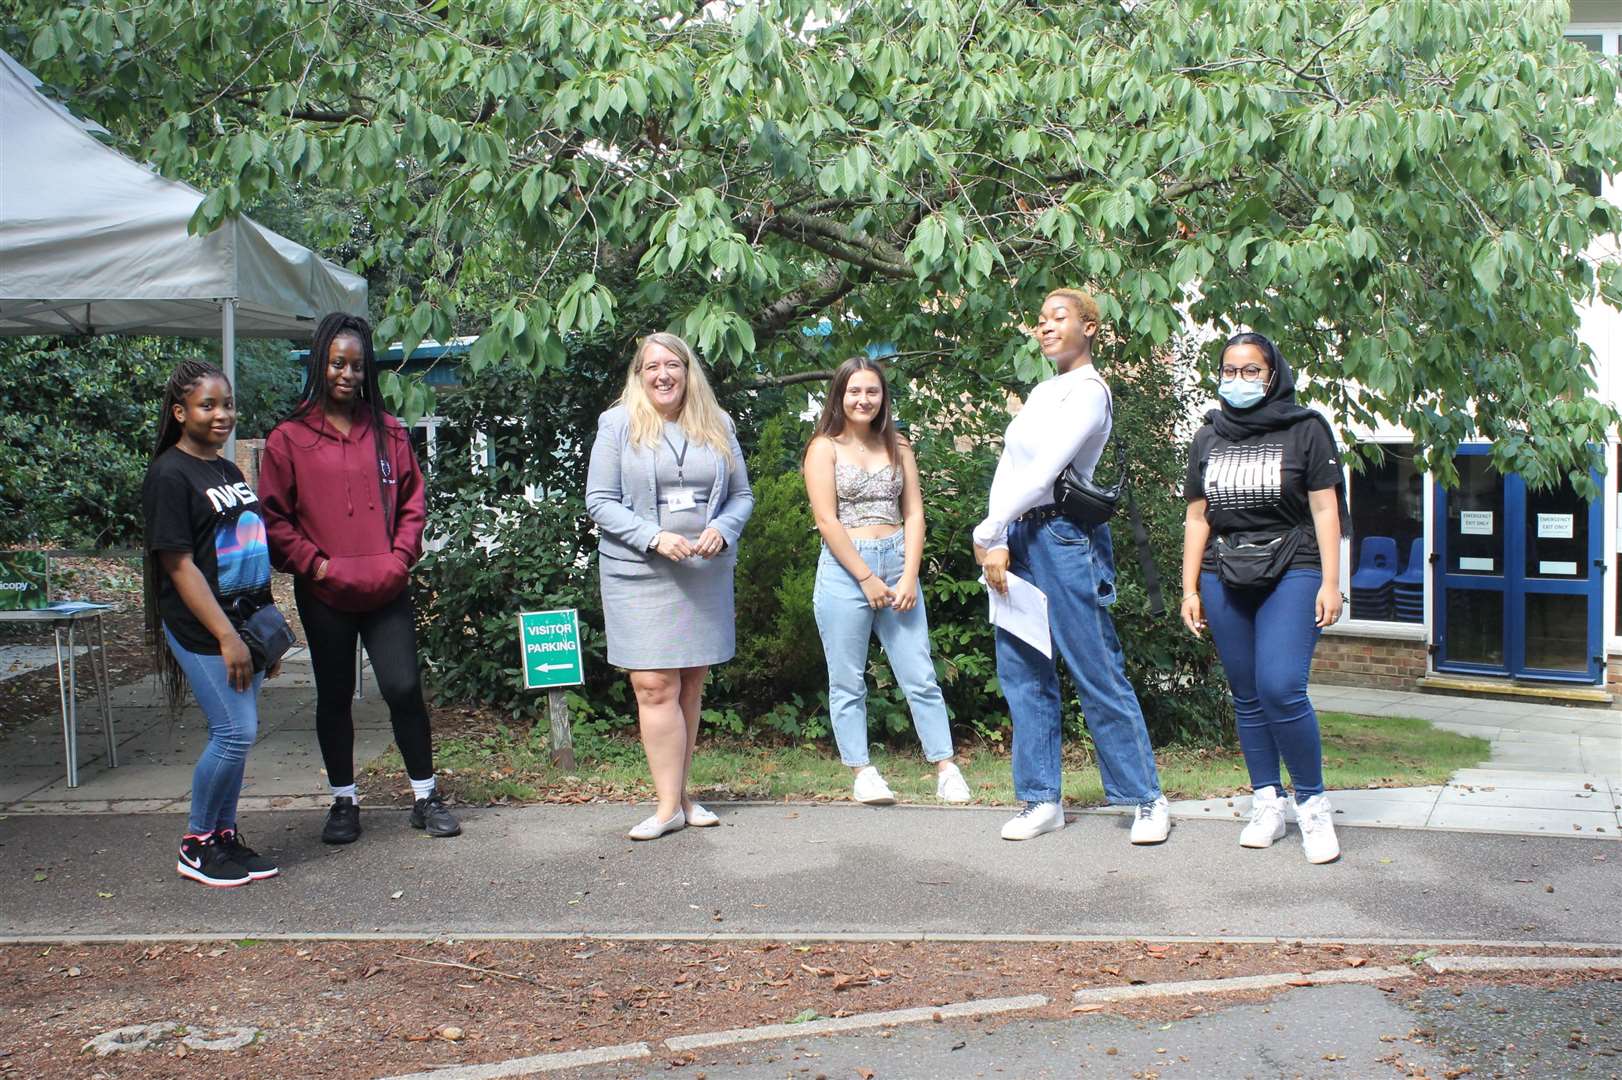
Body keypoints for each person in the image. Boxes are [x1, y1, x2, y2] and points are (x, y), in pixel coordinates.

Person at [973, 289, 1170, 845]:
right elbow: (1011, 465)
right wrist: (996, 536)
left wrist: (988, 529)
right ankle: (1041, 799)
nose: (1046, 327)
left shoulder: (1090, 392)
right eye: (1039, 320)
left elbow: (1043, 475)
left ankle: (1145, 799)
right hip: (1016, 533)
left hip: (1062, 535)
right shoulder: (1040, 391)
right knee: (1022, 670)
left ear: (1089, 327)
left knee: (1095, 668)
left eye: (1059, 318)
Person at [258, 312, 460, 843]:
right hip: (325, 591)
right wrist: (316, 565)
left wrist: (400, 557)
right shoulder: (290, 438)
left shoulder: (389, 432)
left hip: (387, 586)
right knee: (335, 694)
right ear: (321, 365)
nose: (346, 374)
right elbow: (274, 518)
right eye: (335, 363)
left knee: (403, 687)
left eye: (355, 364)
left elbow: (413, 501)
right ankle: (344, 803)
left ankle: (425, 795)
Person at [1180, 332, 1347, 864]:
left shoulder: (1306, 430)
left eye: (1252, 371)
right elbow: (1196, 518)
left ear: (1273, 375)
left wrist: (1331, 581)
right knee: (1247, 693)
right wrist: (1188, 587)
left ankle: (1313, 806)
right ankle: (1266, 802)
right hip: (1222, 571)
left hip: (1293, 568)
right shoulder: (1208, 436)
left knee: (1281, 687)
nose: (1239, 380)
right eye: (1230, 370)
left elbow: (1325, 510)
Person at [585, 332, 755, 840]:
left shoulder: (718, 423)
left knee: (690, 685)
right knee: (654, 685)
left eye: (672, 365)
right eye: (651, 366)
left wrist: (722, 531)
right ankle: (666, 808)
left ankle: (681, 796)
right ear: (639, 375)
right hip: (640, 571)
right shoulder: (616, 425)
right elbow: (600, 500)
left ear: (687, 370)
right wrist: (653, 536)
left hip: (702, 571)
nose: (663, 374)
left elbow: (742, 495)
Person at [803, 357, 971, 805]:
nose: (863, 399)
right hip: (845, 570)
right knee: (847, 679)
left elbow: (914, 511)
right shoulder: (824, 448)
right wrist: (865, 577)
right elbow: (826, 518)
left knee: (919, 674)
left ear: (883, 397)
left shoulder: (897, 444)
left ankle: (946, 766)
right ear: (840, 395)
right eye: (854, 391)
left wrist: (910, 575)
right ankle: (863, 772)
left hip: (897, 560)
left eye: (872, 392)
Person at [143, 360, 281, 887]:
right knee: (233, 731)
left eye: (227, 404)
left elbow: (246, 549)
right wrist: (226, 636)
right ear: (180, 413)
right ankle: (196, 841)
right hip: (202, 627)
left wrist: (261, 633)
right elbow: (179, 566)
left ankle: (223, 836)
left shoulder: (227, 471)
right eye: (208, 405)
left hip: (244, 623)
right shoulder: (169, 475)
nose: (222, 414)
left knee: (240, 735)